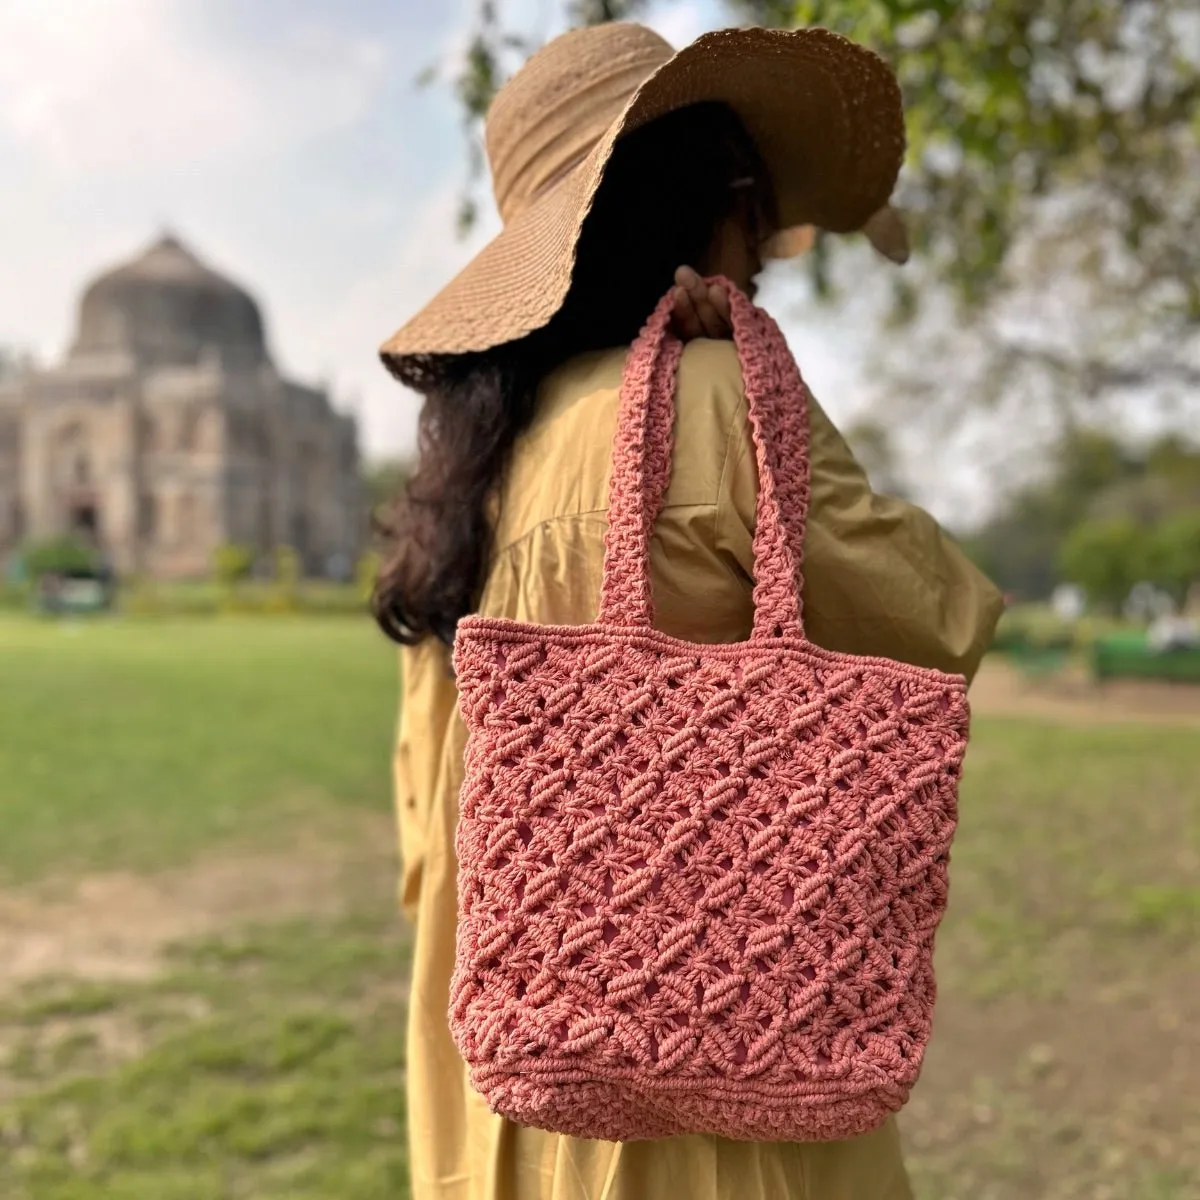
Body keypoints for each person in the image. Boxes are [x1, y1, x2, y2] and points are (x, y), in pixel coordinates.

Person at [373, 22, 1004, 1200]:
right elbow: (934, 619)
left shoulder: (474, 467)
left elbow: (425, 827)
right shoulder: (718, 404)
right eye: (750, 196)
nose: (766, 241)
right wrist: (757, 379)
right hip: (716, 1118)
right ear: (698, 202)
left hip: (503, 1073)